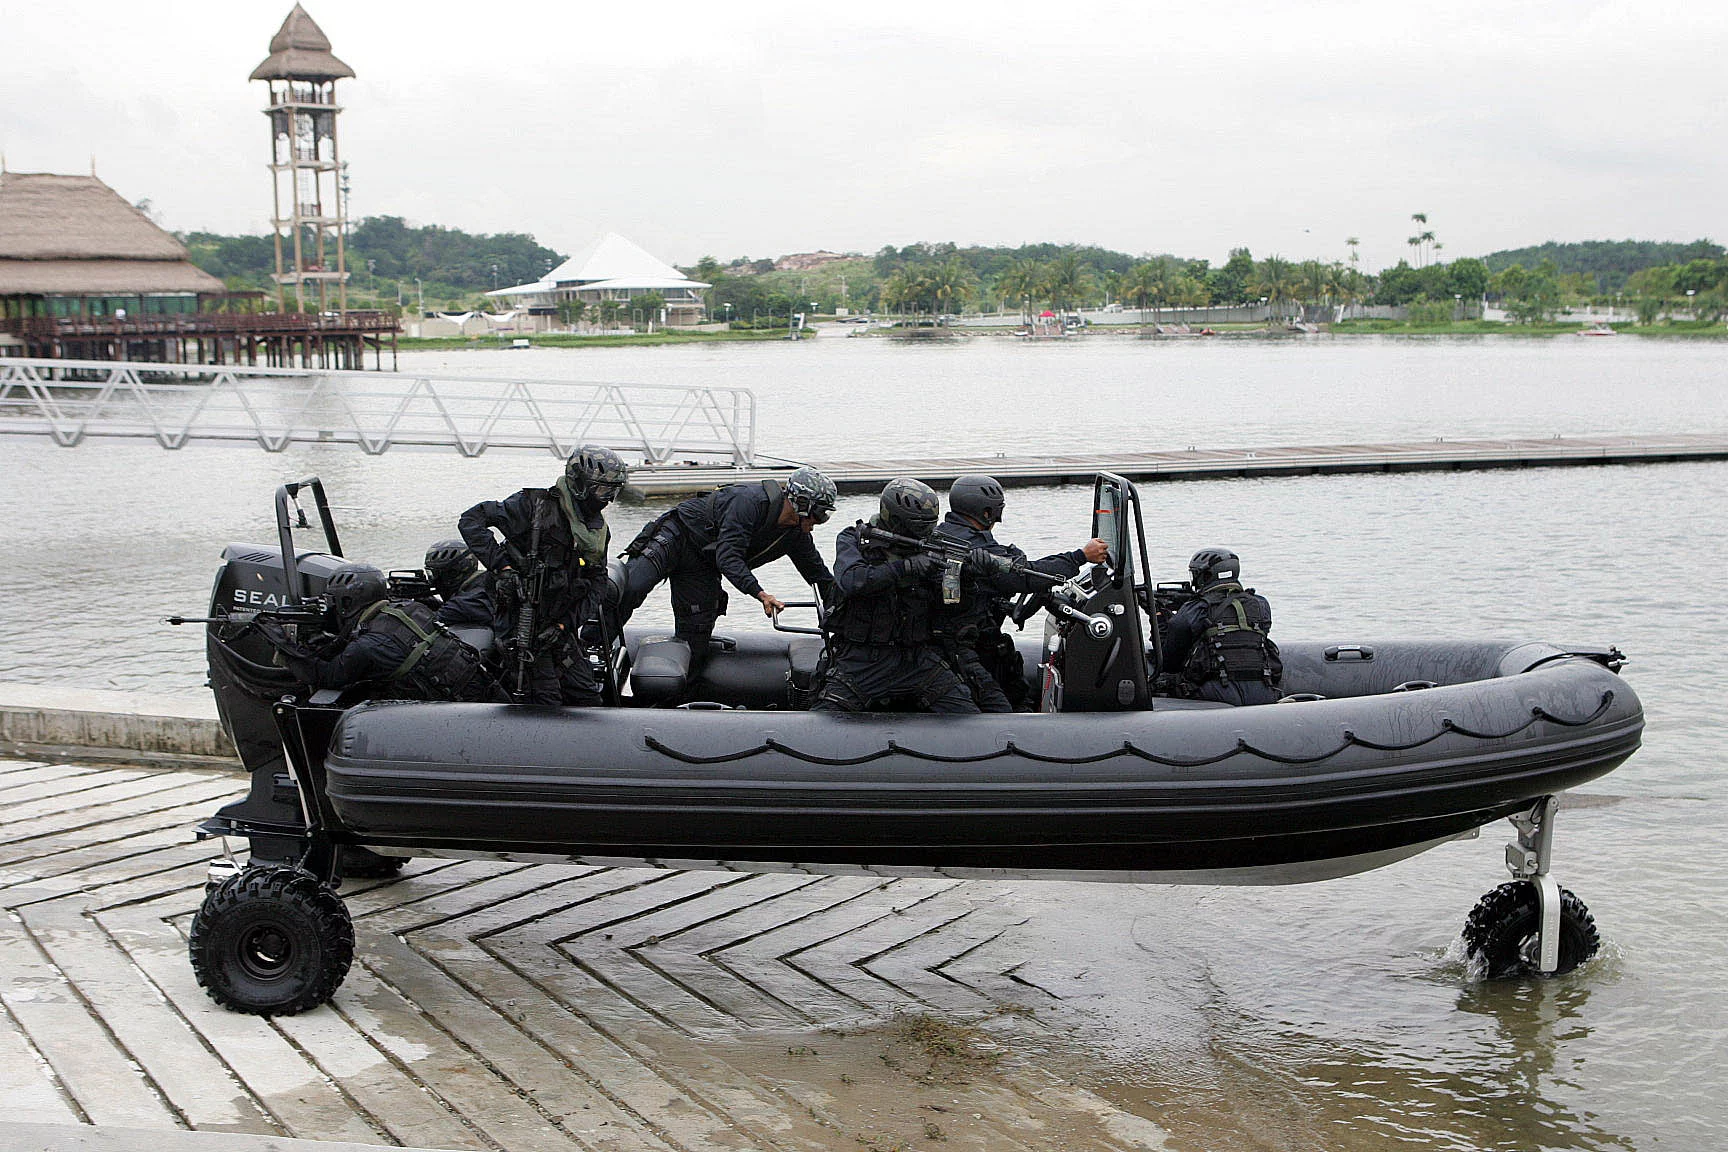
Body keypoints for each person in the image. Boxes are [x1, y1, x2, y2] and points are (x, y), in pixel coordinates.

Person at [457, 444, 628, 705]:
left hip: (558, 629)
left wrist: (564, 625)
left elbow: (597, 583)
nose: (608, 499)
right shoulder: (533, 507)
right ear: (581, 484)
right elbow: (471, 520)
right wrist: (502, 568)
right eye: (604, 490)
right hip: (521, 625)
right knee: (545, 702)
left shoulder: (595, 531)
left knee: (588, 699)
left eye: (614, 491)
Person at [615, 466, 839, 656]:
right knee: (632, 586)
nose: (819, 522)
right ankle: (592, 644)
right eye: (819, 515)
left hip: (703, 563)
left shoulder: (796, 536)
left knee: (697, 635)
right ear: (801, 503)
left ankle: (675, 701)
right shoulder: (749, 503)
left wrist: (844, 608)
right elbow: (729, 558)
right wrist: (760, 594)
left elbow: (819, 576)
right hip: (678, 535)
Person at [933, 475, 1109, 711]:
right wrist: (1079, 557)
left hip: (968, 639)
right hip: (961, 650)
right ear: (987, 513)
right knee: (1000, 709)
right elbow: (1025, 575)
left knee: (1014, 683)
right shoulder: (971, 548)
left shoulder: (947, 536)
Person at [812, 477, 981, 714]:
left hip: (917, 660)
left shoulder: (933, 549)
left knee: (969, 718)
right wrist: (908, 568)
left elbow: (953, 610)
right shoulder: (855, 539)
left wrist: (966, 578)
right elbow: (854, 581)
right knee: (821, 723)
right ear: (897, 521)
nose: (927, 533)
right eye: (920, 526)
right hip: (862, 661)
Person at [257, 562, 502, 702]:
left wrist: (284, 647)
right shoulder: (413, 608)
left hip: (454, 703)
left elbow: (328, 676)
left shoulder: (368, 646)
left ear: (347, 603)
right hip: (481, 688)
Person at [1159, 548, 1282, 706]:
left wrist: (1160, 616)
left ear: (1207, 576)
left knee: (1164, 684)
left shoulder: (1195, 609)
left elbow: (1170, 661)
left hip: (1215, 694)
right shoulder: (1260, 604)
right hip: (1263, 691)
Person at [422, 539, 493, 631]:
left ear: (452, 573)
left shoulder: (465, 603)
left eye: (435, 573)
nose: (434, 579)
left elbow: (428, 624)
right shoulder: (485, 580)